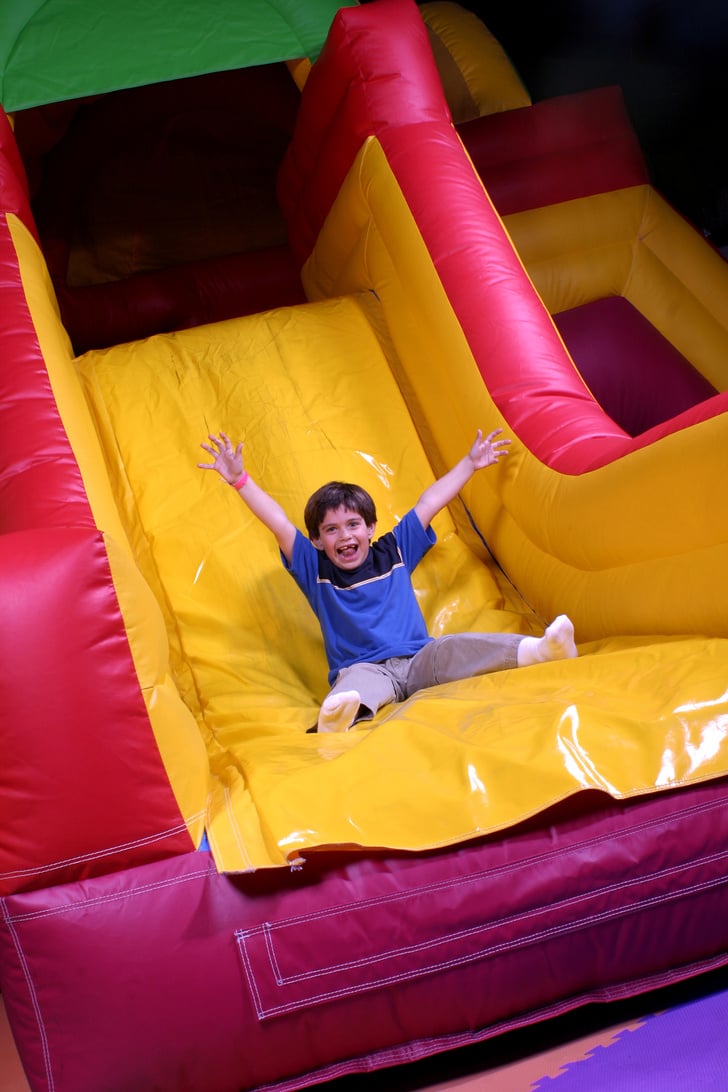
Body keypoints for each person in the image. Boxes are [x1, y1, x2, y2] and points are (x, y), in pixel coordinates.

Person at [198, 429, 577, 733]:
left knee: (454, 648)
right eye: (331, 530)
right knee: (357, 684)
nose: (344, 536)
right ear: (316, 541)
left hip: (418, 659)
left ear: (370, 528)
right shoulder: (317, 572)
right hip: (367, 669)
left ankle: (539, 651)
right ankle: (339, 716)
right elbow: (279, 523)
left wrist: (470, 463)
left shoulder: (393, 551)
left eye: (352, 525)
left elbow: (429, 503)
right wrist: (240, 480)